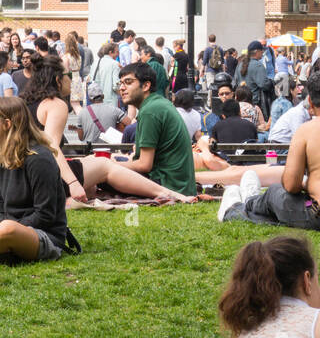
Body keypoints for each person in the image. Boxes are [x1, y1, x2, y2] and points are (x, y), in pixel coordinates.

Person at [24, 55, 193, 205]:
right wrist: (73, 183)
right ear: (58, 79)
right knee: (104, 164)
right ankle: (167, 194)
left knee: (95, 160)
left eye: (128, 82)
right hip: (42, 179)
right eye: (69, 75)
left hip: (22, 180)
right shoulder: (56, 104)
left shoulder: (25, 102)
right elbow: (51, 147)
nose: (121, 88)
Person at [218, 70, 320, 229]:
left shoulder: (307, 130)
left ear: (310, 102)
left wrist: (307, 184)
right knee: (279, 200)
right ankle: (251, 201)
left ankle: (242, 206)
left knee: (275, 192)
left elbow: (291, 185)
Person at [0, 96, 79, 266]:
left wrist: (13, 226)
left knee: (8, 229)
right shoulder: (3, 157)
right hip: (6, 230)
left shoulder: (39, 159)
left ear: (6, 124)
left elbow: (45, 215)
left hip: (43, 235)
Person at [117, 63, 198, 196]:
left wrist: (111, 165)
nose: (122, 88)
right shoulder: (156, 104)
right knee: (108, 163)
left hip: (167, 185)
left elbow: (144, 165)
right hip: (175, 183)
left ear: (146, 86)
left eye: (128, 82)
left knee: (104, 169)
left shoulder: (150, 111)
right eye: (120, 83)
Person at [234, 42, 271, 115]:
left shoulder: (240, 64)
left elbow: (235, 82)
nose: (262, 53)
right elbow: (263, 85)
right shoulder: (258, 65)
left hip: (240, 103)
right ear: (257, 52)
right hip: (254, 103)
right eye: (261, 51)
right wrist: (271, 82)